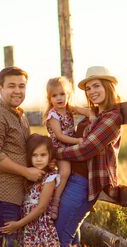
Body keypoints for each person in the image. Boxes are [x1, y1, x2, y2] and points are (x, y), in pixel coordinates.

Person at [54, 66, 123, 247]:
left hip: (84, 183)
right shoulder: (94, 115)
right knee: (70, 235)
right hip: (72, 179)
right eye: (89, 88)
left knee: (60, 237)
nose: (92, 92)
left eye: (96, 86)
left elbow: (87, 149)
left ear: (108, 87)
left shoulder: (112, 118)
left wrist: (56, 153)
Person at [0, 66, 44, 247]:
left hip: (14, 196)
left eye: (22, 86)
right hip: (1, 196)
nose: (17, 90)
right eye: (11, 86)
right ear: (0, 89)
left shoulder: (20, 115)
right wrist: (26, 172)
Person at [0, 134, 61, 247]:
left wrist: (18, 224)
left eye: (43, 155)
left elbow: (41, 207)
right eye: (34, 155)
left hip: (39, 227)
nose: (39, 159)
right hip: (28, 227)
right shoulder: (30, 175)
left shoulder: (50, 178)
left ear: (50, 156)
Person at [43, 76, 94, 220]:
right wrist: (77, 140)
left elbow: (86, 111)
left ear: (68, 95)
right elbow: (59, 136)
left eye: (62, 94)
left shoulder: (69, 108)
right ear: (49, 99)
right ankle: (55, 202)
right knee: (65, 172)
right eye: (54, 95)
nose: (59, 98)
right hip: (59, 148)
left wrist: (91, 115)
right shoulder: (53, 115)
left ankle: (80, 199)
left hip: (70, 146)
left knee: (78, 172)